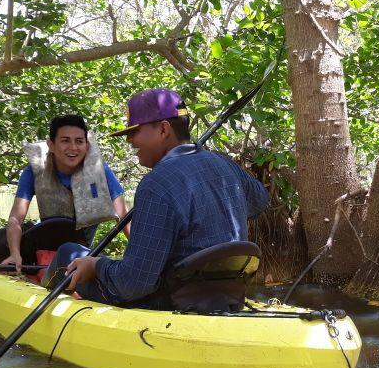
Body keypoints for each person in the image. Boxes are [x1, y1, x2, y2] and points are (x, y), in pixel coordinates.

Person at [42, 89, 269, 308]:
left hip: (169, 299)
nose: (129, 140)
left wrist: (96, 265)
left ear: (163, 129)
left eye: (134, 131)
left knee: (67, 252)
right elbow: (260, 202)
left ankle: (37, 293)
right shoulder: (225, 164)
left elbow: (132, 285)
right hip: (227, 294)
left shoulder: (156, 184)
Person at [0, 114, 128, 270]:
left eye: (79, 141)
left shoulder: (100, 171)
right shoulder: (34, 171)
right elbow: (15, 219)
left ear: (87, 146)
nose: (73, 148)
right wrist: (14, 254)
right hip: (36, 238)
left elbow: (124, 216)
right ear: (51, 144)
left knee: (96, 265)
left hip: (74, 248)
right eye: (65, 141)